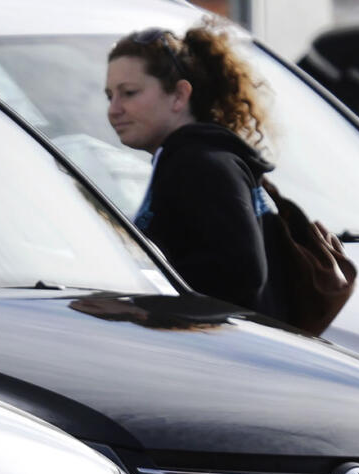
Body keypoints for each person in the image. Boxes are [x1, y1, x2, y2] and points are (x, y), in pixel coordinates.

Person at [104, 21, 291, 320]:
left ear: (179, 95)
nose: (113, 109)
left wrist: (139, 308)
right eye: (109, 95)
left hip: (228, 353)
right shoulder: (190, 157)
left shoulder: (202, 163)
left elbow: (242, 273)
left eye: (128, 93)